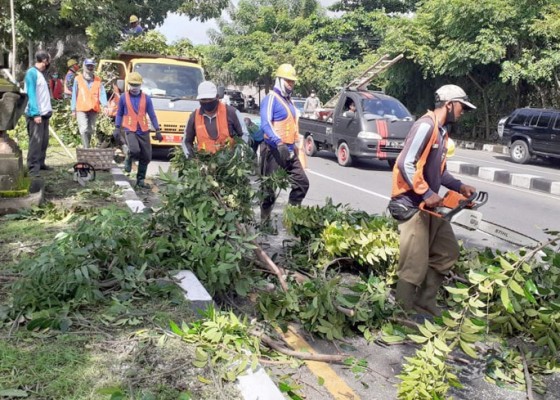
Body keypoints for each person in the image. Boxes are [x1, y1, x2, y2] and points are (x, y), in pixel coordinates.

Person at [389, 84, 477, 317]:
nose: (462, 112)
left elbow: (441, 173)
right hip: (410, 204)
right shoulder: (425, 126)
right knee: (414, 264)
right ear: (449, 105)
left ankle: (424, 301)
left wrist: (459, 187)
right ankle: (400, 313)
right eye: (461, 107)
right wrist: (426, 193)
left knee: (448, 251)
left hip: (429, 205)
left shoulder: (442, 132)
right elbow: (405, 163)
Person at [259, 64, 309, 223]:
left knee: (302, 183)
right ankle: (264, 221)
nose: (291, 84)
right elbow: (265, 123)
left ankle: (291, 218)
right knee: (269, 191)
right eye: (288, 81)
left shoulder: (290, 102)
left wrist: (294, 146)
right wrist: (278, 142)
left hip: (289, 151)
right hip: (274, 151)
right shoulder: (271, 99)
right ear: (279, 80)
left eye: (293, 82)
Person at [113, 72, 162, 189]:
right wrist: (117, 127)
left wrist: (158, 130)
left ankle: (140, 181)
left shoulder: (147, 99)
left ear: (141, 85)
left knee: (147, 156)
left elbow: (152, 115)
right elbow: (119, 114)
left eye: (137, 85)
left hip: (143, 129)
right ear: (128, 84)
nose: (134, 88)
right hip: (130, 129)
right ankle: (129, 157)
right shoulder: (124, 98)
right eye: (132, 85)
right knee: (135, 150)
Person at [181, 81, 244, 157]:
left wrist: (238, 156)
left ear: (217, 97)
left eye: (210, 99)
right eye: (204, 99)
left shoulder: (232, 113)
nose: (207, 102)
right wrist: (191, 159)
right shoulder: (194, 117)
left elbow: (244, 135)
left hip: (228, 163)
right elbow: (186, 141)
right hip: (203, 163)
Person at [24, 50, 53, 177]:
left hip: (44, 113)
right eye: (49, 60)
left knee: (44, 141)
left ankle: (41, 163)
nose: (49, 62)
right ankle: (32, 168)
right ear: (45, 60)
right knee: (36, 141)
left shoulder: (41, 74)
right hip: (36, 114)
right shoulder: (32, 73)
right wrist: (35, 113)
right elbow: (31, 94)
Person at [71, 59, 108, 148]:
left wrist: (105, 105)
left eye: (91, 66)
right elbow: (74, 94)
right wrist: (73, 109)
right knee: (83, 128)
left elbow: (102, 93)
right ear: (84, 66)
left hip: (93, 108)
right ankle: (86, 148)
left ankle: (86, 147)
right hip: (81, 108)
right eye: (88, 66)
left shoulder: (98, 80)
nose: (90, 68)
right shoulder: (78, 79)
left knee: (91, 129)